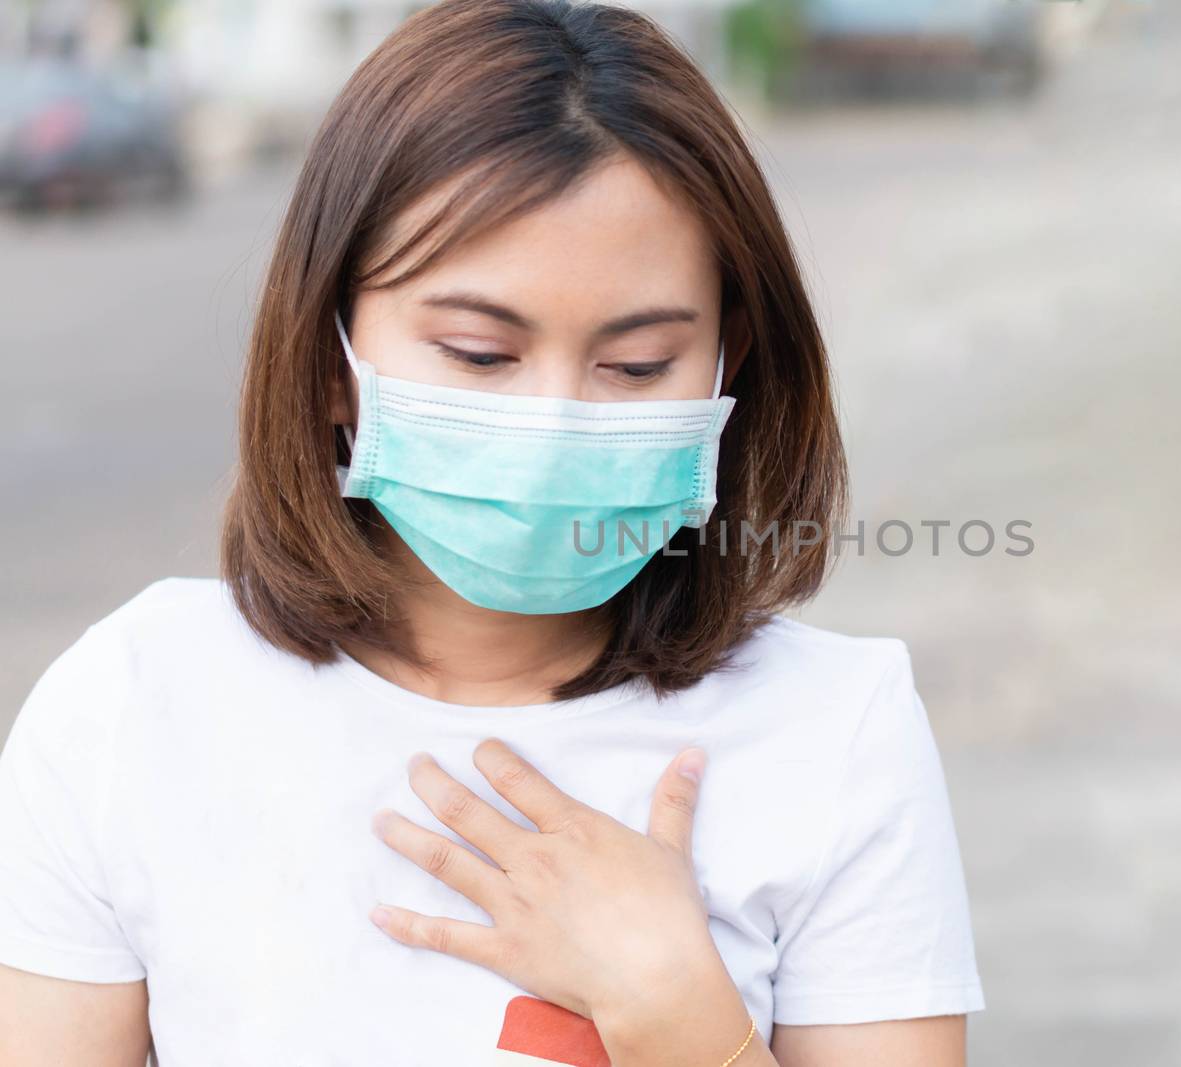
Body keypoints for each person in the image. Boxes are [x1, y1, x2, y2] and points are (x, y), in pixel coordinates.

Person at [0, 2, 985, 1064]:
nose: (554, 421)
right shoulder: (134, 705)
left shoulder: (837, 731)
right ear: (333, 358)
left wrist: (681, 1012)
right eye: (478, 353)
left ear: (725, 364)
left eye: (638, 365)